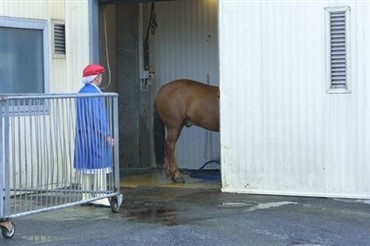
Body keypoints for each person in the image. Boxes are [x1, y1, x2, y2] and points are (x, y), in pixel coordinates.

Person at [74, 64, 113, 207]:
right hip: (95, 136)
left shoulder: (81, 92)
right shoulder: (94, 93)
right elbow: (97, 117)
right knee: (99, 164)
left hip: (82, 135)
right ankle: (100, 195)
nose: (101, 78)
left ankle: (86, 195)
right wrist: (106, 134)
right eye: (101, 75)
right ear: (96, 77)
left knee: (86, 165)